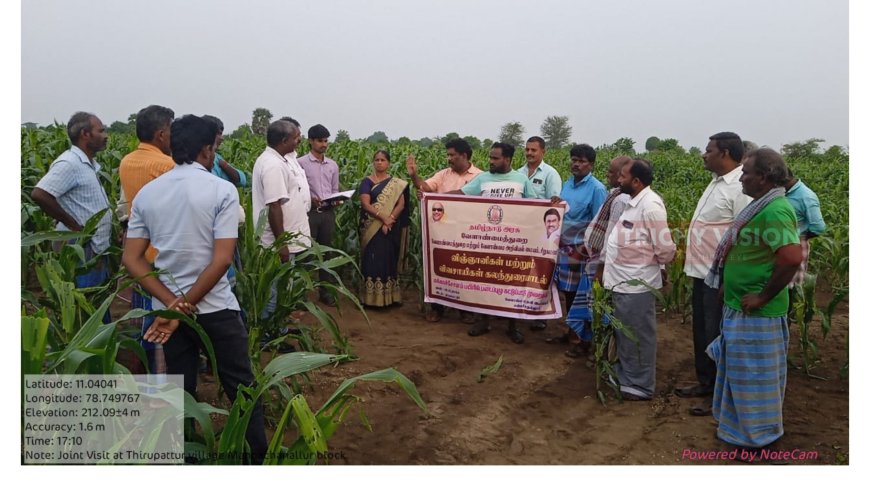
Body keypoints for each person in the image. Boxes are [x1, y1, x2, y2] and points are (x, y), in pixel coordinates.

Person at [122, 114, 267, 464]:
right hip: (216, 307)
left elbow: (133, 259)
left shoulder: (148, 194)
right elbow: (221, 261)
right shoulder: (222, 190)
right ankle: (255, 459)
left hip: (170, 312)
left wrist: (172, 306)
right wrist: (183, 306)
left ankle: (186, 459)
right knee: (241, 386)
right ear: (208, 149)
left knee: (179, 391)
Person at [705, 148, 801, 450]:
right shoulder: (761, 206)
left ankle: (759, 440)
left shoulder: (775, 210)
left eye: (746, 172)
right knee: (740, 373)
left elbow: (790, 258)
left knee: (755, 379)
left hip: (758, 313)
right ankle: (739, 432)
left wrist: (761, 296)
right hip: (740, 305)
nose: (742, 177)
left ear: (763, 177)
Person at [675, 132, 752, 416]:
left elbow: (743, 237)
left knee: (717, 333)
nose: (703, 154)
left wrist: (729, 276)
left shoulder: (740, 188)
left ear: (726, 154)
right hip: (700, 271)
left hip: (719, 275)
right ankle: (706, 383)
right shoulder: (716, 182)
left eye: (709, 150)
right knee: (702, 331)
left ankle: (720, 394)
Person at [603, 159, 675, 400]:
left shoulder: (651, 206)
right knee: (626, 333)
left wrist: (654, 267)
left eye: (623, 176)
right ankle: (627, 376)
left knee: (639, 335)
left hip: (637, 283)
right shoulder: (634, 203)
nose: (618, 180)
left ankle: (640, 386)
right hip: (623, 282)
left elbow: (665, 249)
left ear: (636, 181)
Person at [454, 142, 536, 343]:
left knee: (512, 284)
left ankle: (512, 325)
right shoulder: (482, 179)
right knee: (483, 282)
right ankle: (483, 321)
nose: (490, 161)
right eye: (490, 157)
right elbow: (461, 195)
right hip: (486, 242)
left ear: (507, 159)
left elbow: (535, 206)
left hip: (511, 243)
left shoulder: (521, 179)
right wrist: (431, 198)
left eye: (495, 158)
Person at [118, 104, 176, 373]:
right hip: (161, 254)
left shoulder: (127, 161)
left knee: (140, 317)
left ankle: (138, 371)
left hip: (137, 251)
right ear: (162, 134)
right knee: (162, 321)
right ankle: (160, 383)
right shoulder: (165, 165)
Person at [32, 112, 113, 291]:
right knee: (84, 301)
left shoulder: (86, 163)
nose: (106, 136)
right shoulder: (69, 163)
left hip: (94, 246)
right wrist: (74, 226)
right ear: (85, 134)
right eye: (101, 131)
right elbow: (40, 194)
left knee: (95, 300)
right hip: (81, 247)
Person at [547, 144, 607, 354]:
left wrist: (585, 249)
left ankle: (583, 340)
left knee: (582, 295)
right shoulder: (567, 184)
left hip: (582, 251)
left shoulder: (597, 189)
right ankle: (572, 332)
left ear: (590, 164)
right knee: (568, 293)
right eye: (574, 159)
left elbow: (600, 223)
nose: (576, 164)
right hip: (564, 248)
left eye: (581, 161)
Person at [252, 119, 312, 318]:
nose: (298, 142)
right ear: (284, 140)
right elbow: (274, 206)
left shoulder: (279, 160)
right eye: (296, 138)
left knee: (279, 289)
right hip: (277, 243)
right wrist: (281, 244)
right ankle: (269, 336)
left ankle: (277, 329)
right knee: (274, 291)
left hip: (284, 240)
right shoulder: (273, 166)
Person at [358, 150, 410, 307]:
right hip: (371, 228)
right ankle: (370, 300)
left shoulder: (396, 183)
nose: (379, 162)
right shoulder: (367, 182)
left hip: (390, 227)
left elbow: (401, 204)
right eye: (377, 160)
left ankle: (390, 298)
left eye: (383, 160)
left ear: (389, 163)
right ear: (373, 162)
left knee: (388, 259)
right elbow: (365, 204)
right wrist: (383, 218)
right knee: (372, 261)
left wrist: (390, 220)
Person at [298, 124, 341, 306]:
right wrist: (310, 199)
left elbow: (334, 189)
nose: (324, 144)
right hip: (309, 214)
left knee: (326, 253)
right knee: (305, 253)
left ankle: (325, 292)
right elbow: (297, 190)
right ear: (310, 141)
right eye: (320, 141)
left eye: (326, 141)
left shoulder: (332, 165)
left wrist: (337, 199)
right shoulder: (300, 164)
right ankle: (301, 295)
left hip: (327, 214)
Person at [784, 167, 826, 287]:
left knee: (790, 285)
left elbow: (818, 227)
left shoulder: (806, 196)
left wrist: (798, 237)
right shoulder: (784, 192)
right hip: (780, 243)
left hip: (795, 244)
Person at [406, 138, 483, 195]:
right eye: (448, 155)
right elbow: (425, 187)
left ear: (463, 156)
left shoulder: (480, 176)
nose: (448, 158)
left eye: (452, 155)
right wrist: (413, 175)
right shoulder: (443, 174)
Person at [202, 115, 248, 187]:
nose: (222, 138)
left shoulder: (217, 158)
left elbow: (242, 180)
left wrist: (225, 166)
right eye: (219, 134)